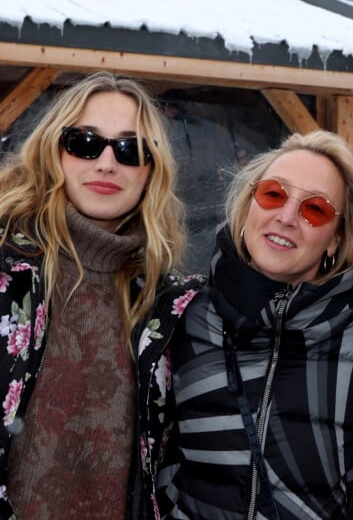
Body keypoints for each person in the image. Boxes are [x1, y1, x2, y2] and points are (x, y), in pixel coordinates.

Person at [0, 71, 205, 518]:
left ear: (151, 170)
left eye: (130, 149)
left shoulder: (167, 305)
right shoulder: (5, 272)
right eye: (85, 143)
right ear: (54, 151)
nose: (107, 163)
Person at [157, 130, 353, 519]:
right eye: (273, 194)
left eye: (315, 209)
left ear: (334, 239)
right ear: (250, 204)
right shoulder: (184, 317)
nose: (286, 217)